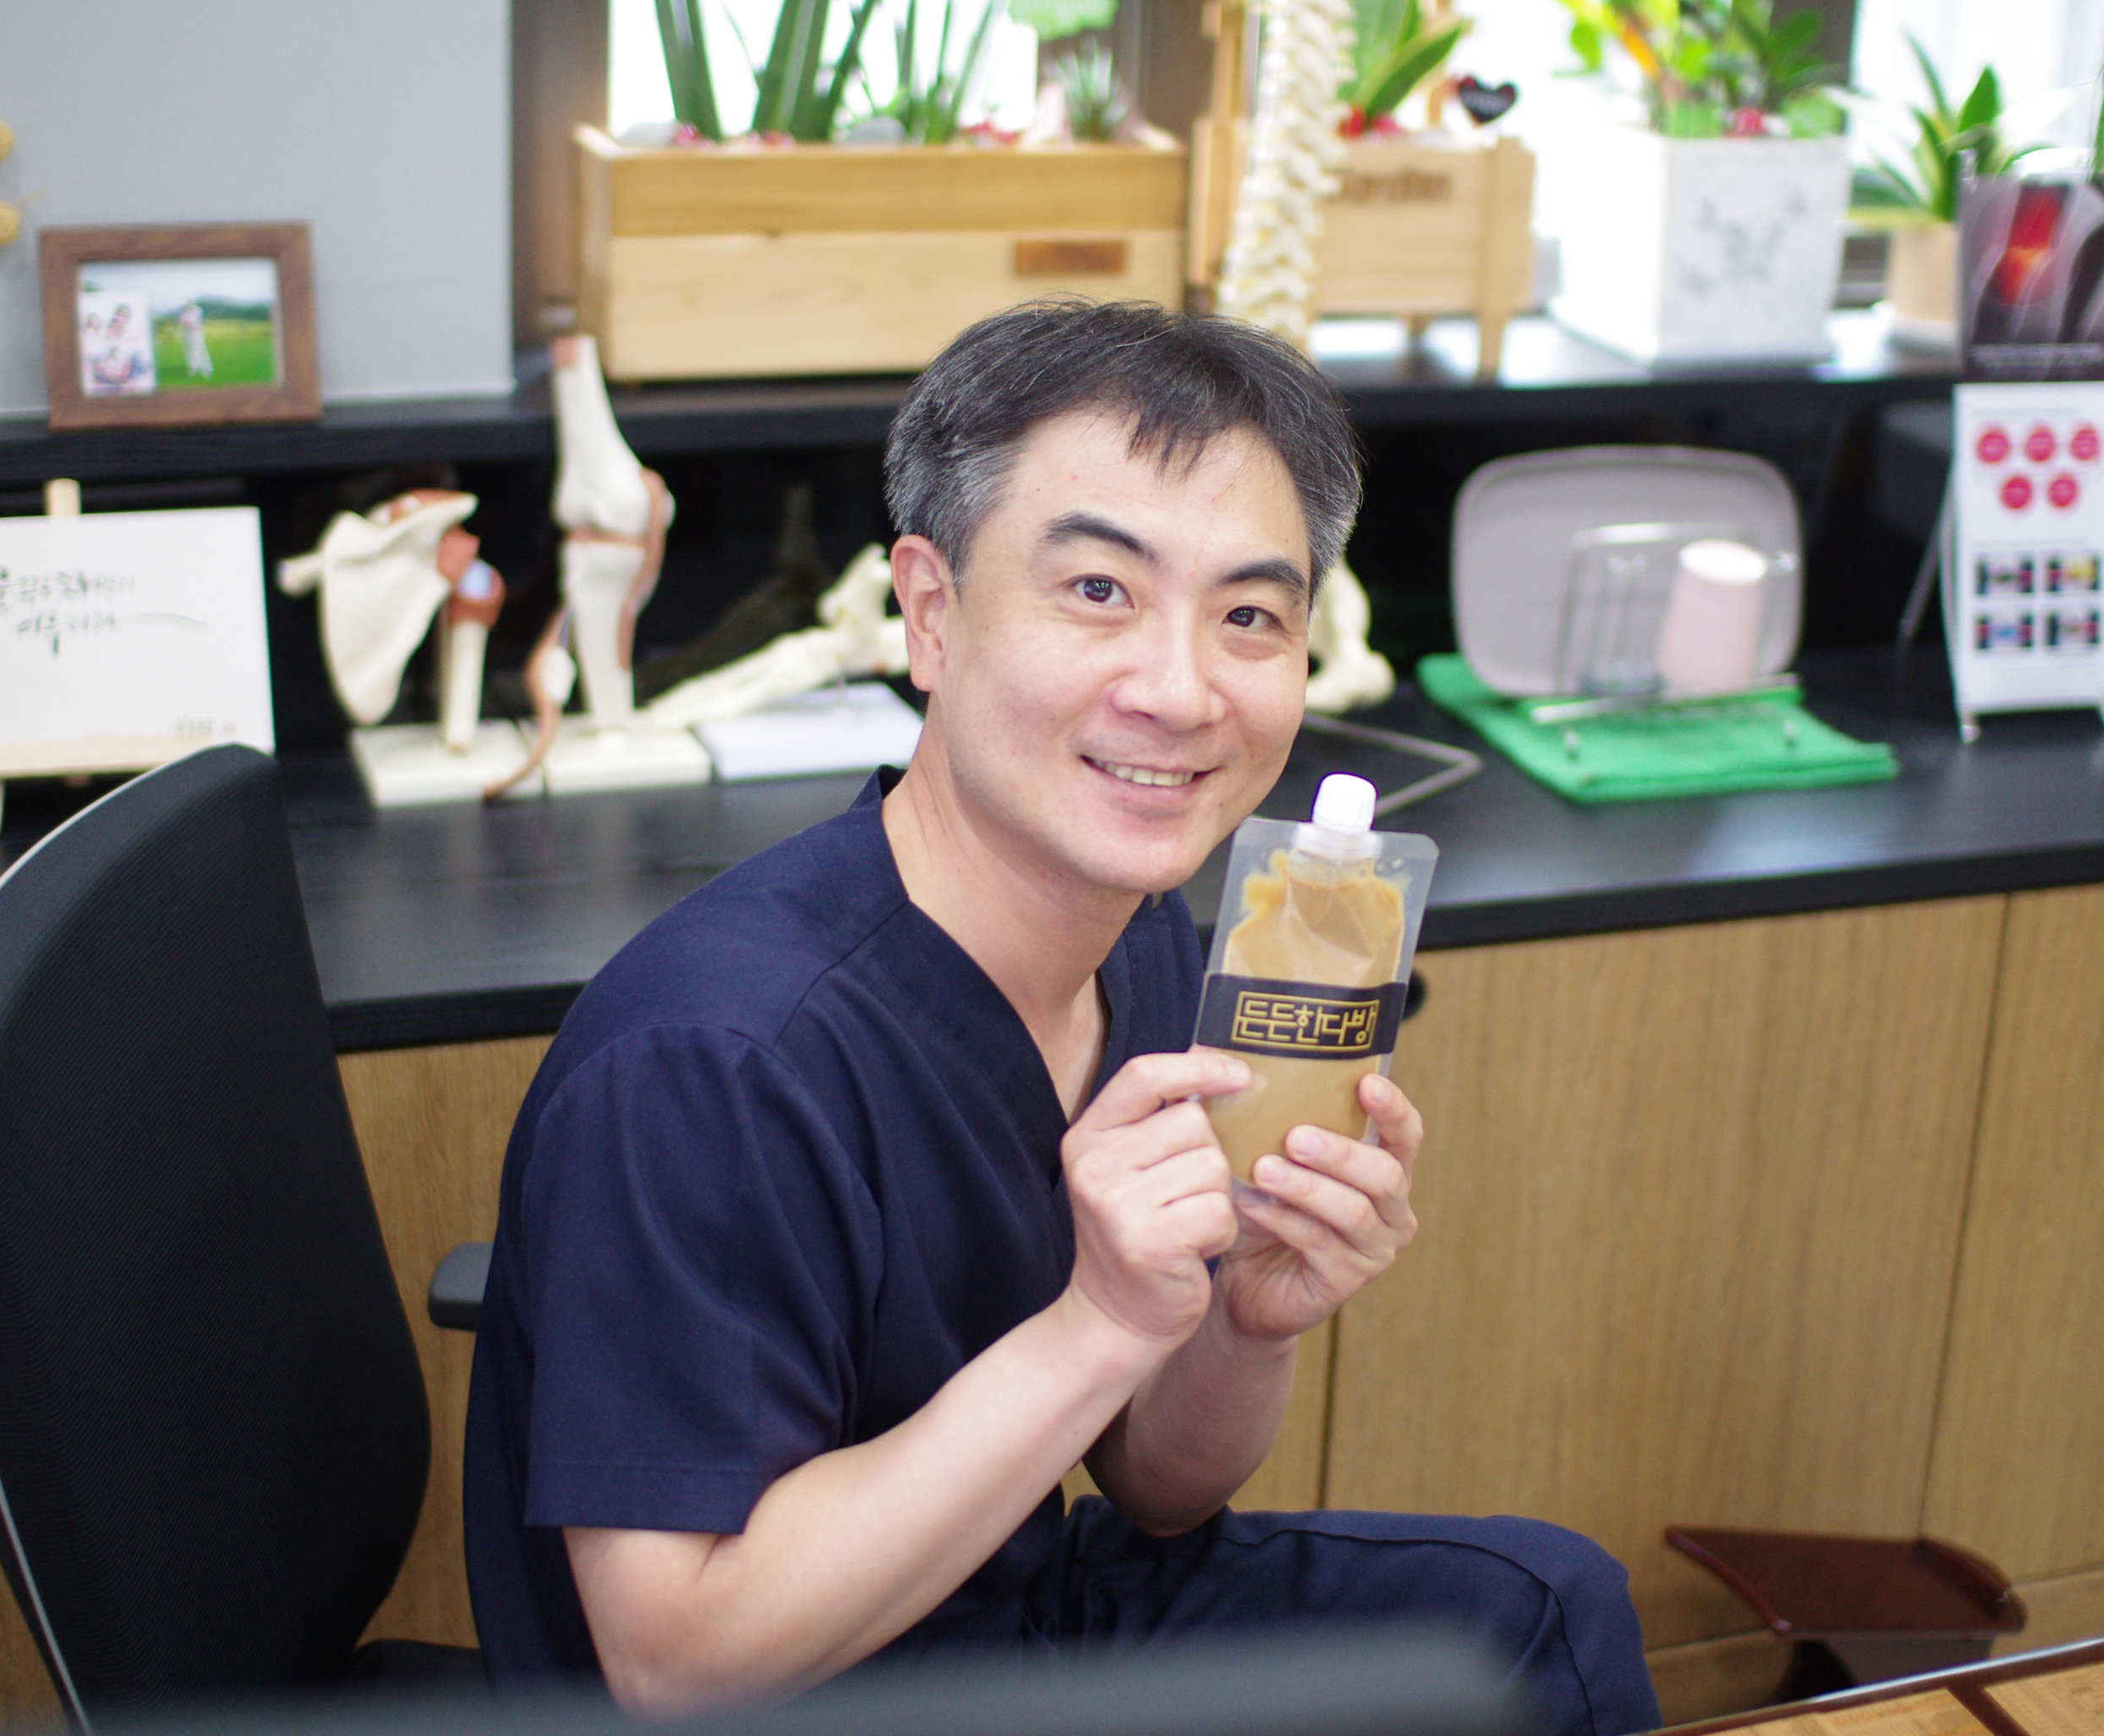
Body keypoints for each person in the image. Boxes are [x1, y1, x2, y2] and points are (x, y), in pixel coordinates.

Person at [463, 299, 1658, 1736]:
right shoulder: (716, 1064)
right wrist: (1096, 1325)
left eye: (1250, 617)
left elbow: (1155, 1486)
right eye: (1099, 590)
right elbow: (680, 1665)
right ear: (931, 611)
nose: (1179, 689)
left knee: (1536, 1620)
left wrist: (1245, 1320)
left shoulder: (1139, 942)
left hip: (1002, 1622)